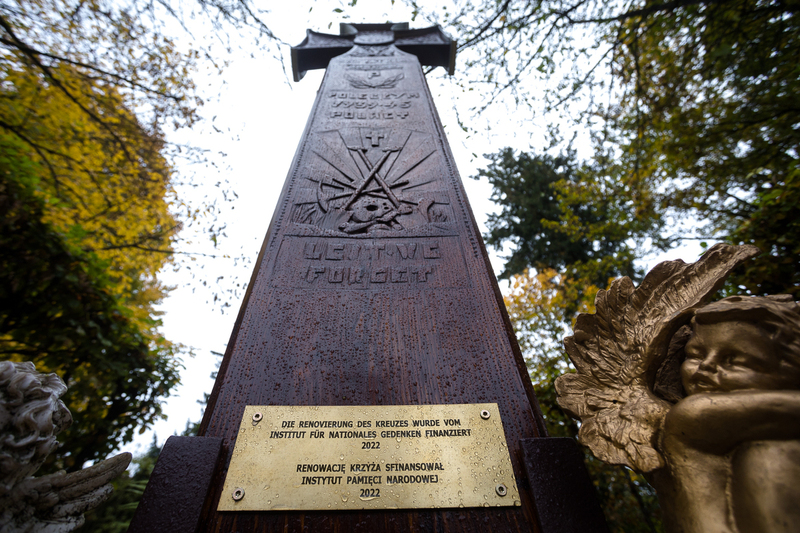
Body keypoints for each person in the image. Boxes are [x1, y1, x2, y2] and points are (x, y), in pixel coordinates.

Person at [657, 295, 800, 533]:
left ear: (789, 371)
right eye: (696, 355)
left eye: (732, 360)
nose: (706, 366)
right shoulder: (688, 420)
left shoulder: (774, 455)